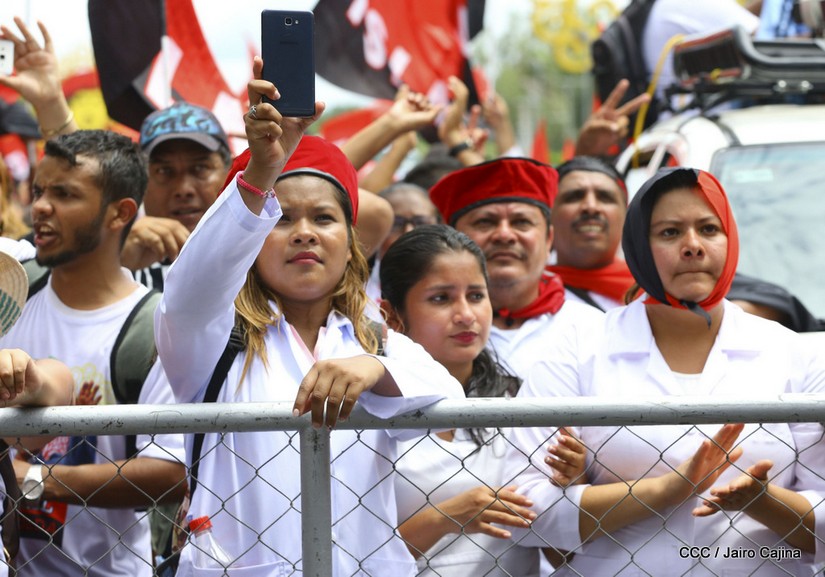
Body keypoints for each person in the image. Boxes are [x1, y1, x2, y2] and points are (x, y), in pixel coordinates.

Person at [154, 57, 464, 576]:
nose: (304, 233)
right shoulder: (212, 338)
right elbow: (191, 289)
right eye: (281, 219)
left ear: (350, 242)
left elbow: (450, 401)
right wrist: (261, 171)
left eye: (324, 217)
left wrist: (375, 369)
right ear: (251, 239)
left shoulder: (375, 338)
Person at [506, 167, 825, 575]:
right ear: (639, 245)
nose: (692, 246)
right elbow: (520, 505)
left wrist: (764, 503)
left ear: (730, 239)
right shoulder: (578, 349)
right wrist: (665, 490)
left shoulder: (794, 353)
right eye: (670, 232)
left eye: (708, 229)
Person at [0, 130, 186, 577]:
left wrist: (33, 481)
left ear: (121, 213)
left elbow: (169, 472)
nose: (40, 207)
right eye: (39, 191)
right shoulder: (11, 285)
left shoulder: (155, 326)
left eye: (64, 194)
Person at [379, 224, 543, 576]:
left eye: (476, 295)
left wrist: (570, 478)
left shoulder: (519, 400)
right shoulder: (372, 413)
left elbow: (561, 545)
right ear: (391, 315)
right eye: (441, 298)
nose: (466, 315)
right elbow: (352, 554)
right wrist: (444, 517)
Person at [428, 157, 605, 382]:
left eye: (521, 222)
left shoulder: (593, 328)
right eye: (485, 222)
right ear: (452, 239)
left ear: (549, 239)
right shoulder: (425, 328)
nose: (504, 235)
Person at [547, 156, 634, 311]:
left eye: (605, 197)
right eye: (574, 197)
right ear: (548, 215)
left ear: (626, 216)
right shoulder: (524, 297)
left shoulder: (654, 294)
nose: (591, 207)